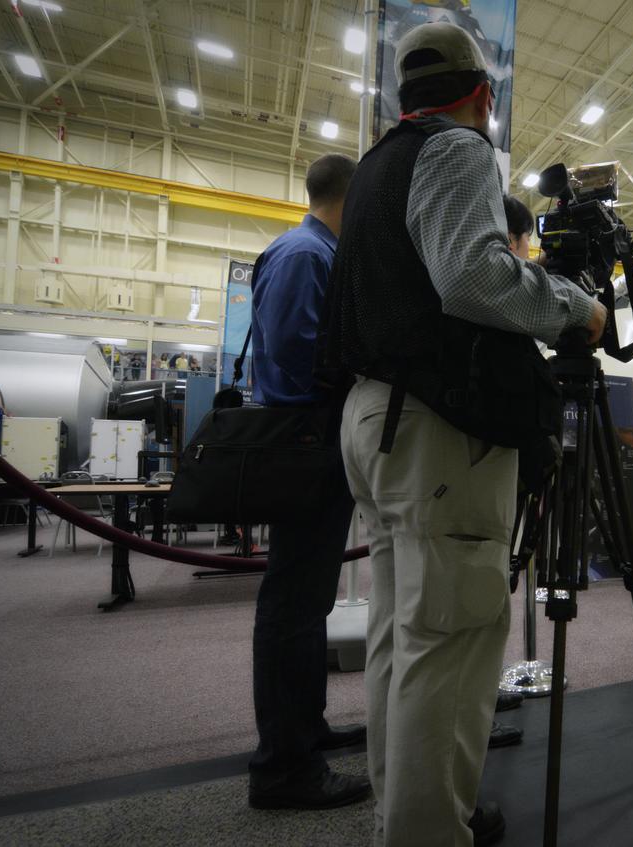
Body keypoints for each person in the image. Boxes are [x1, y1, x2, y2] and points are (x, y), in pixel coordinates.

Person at [319, 22, 606, 847]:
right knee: (446, 644)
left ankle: (407, 815)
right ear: (482, 96)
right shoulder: (459, 150)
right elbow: (473, 275)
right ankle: (426, 831)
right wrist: (570, 305)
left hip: (380, 420)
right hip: (438, 431)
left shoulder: (375, 165)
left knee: (403, 637)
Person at [245, 153, 371, 811]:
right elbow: (300, 360)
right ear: (351, 198)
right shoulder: (304, 255)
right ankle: (281, 767)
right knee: (293, 604)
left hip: (313, 445)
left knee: (306, 601)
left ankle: (306, 732)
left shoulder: (310, 251)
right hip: (305, 445)